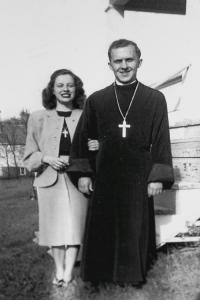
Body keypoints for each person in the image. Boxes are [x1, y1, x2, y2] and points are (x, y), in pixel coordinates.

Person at [70, 39, 174, 287]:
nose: (124, 65)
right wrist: (83, 173)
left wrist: (157, 176)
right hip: (105, 173)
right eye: (118, 61)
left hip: (138, 174)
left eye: (129, 59)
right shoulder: (97, 100)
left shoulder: (155, 98)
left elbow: (161, 138)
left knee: (134, 226)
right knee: (103, 224)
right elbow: (82, 138)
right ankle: (99, 276)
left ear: (139, 61)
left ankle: (131, 277)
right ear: (110, 64)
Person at [23, 69, 98, 287]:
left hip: (79, 180)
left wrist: (95, 146)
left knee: (76, 226)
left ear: (76, 89)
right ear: (52, 90)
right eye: (60, 85)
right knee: (53, 228)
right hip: (49, 180)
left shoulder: (86, 115)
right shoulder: (38, 118)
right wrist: (47, 158)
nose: (65, 89)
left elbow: (93, 147)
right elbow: (28, 155)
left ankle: (68, 272)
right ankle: (58, 270)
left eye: (70, 85)